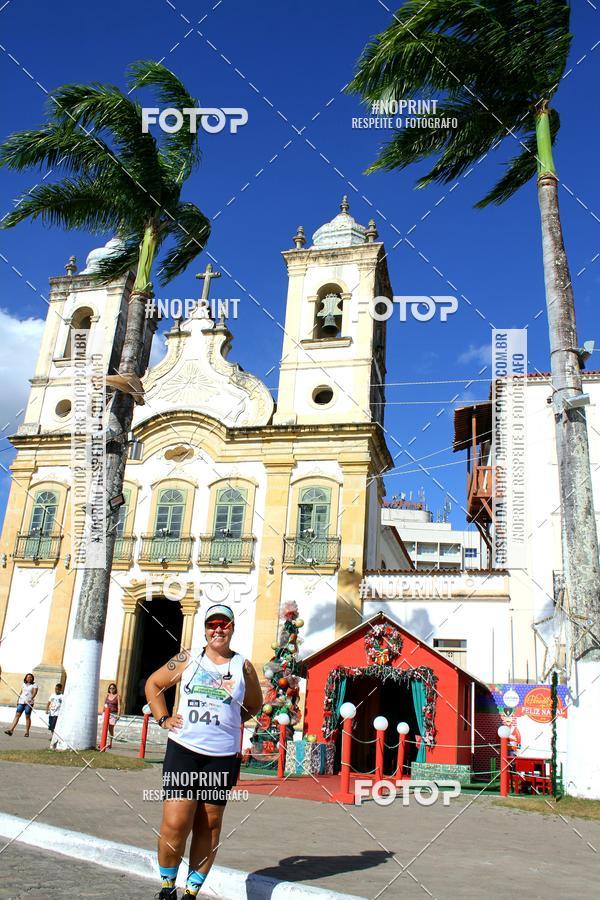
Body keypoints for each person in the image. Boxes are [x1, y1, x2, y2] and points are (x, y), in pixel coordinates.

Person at [145, 604, 263, 899]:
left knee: (209, 824)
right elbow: (154, 684)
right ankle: (167, 887)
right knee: (176, 822)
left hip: (221, 757)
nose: (218, 630)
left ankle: (191, 891)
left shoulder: (243, 666)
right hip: (184, 750)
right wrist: (163, 718)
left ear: (232, 628)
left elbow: (254, 705)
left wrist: (230, 719)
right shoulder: (188, 658)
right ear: (206, 629)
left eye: (224, 624)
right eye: (212, 625)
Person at [104, 682, 120, 750]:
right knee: (104, 728)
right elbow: (104, 704)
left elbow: (119, 706)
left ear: (115, 689)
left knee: (111, 729)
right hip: (106, 713)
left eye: (113, 688)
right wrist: (103, 712)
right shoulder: (107, 695)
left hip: (113, 714)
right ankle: (103, 743)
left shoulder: (117, 696)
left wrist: (118, 715)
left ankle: (110, 743)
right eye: (110, 688)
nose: (111, 689)